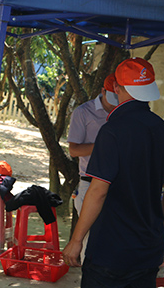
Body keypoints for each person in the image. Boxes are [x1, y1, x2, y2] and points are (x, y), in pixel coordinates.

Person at [63, 58, 164, 287]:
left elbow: (98, 192)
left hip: (109, 249)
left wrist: (76, 240)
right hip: (147, 250)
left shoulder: (112, 131)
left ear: (117, 88)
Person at [66, 73, 118, 262]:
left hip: (116, 184)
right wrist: (104, 146)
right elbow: (74, 150)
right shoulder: (84, 112)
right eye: (111, 97)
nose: (114, 103)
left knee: (112, 240)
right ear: (102, 91)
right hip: (90, 182)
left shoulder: (122, 113)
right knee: (90, 240)